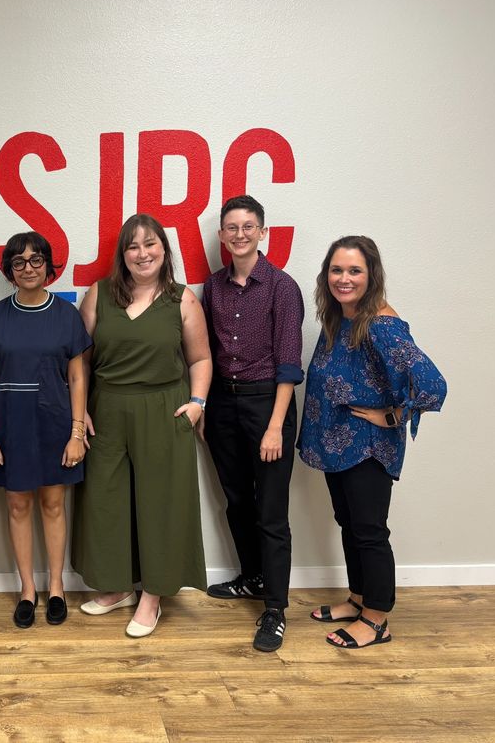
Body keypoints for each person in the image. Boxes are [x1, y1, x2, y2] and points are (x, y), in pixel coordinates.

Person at [298, 236, 446, 649]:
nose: (343, 279)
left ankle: (377, 619)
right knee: (349, 523)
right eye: (337, 270)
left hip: (367, 446)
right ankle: (358, 599)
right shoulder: (340, 317)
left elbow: (432, 384)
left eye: (354, 271)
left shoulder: (381, 325)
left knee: (369, 531)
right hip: (335, 445)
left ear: (371, 275)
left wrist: (393, 416)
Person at [72, 214, 212, 638]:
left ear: (164, 250)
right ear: (123, 254)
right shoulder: (98, 295)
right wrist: (80, 409)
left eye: (150, 244)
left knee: (160, 503)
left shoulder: (182, 300)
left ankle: (153, 594)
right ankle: (117, 587)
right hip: (107, 410)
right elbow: (80, 360)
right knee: (105, 500)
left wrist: (197, 404)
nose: (142, 253)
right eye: (132, 246)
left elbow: (200, 359)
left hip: (164, 409)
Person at [201, 195, 304, 652]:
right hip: (224, 402)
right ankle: (253, 578)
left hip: (268, 403)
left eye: (248, 227)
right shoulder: (213, 287)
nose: (239, 234)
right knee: (237, 501)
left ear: (263, 232)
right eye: (232, 227)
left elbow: (289, 363)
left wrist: (276, 426)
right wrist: (206, 405)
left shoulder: (282, 286)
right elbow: (206, 352)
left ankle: (275, 610)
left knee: (271, 512)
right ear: (222, 236)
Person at [0, 232, 91, 628]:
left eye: (36, 260)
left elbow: (77, 377)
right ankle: (27, 589)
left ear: (48, 266)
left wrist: (77, 433)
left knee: (53, 505)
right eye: (19, 262)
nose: (28, 268)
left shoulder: (66, 315)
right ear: (9, 270)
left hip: (55, 423)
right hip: (11, 425)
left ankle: (56, 586)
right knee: (17, 505)